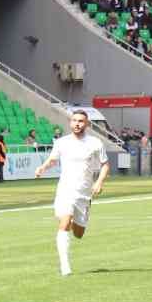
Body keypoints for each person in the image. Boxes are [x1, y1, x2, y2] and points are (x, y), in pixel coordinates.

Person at [34, 110, 108, 277]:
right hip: (65, 190)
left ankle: (77, 220)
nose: (77, 124)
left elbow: (105, 164)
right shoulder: (62, 142)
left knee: (79, 233)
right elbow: (53, 159)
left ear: (87, 124)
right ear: (70, 123)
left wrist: (99, 182)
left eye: (81, 121)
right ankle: (65, 265)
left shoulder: (95, 143)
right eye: (74, 120)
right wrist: (42, 168)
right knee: (65, 221)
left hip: (84, 193)